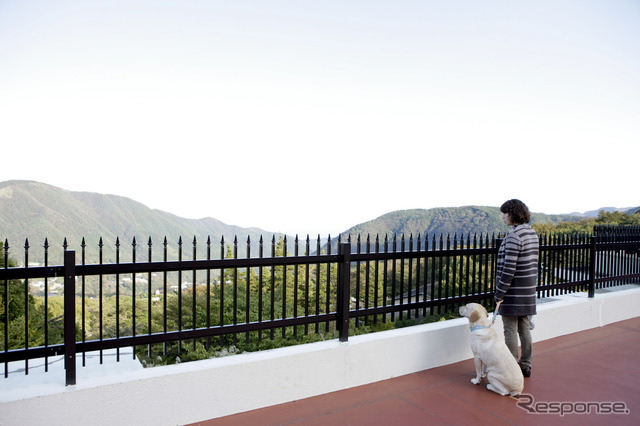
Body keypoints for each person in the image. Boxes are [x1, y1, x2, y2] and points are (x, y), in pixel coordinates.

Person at [495, 199, 539, 378]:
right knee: (525, 328)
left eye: (505, 214)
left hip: (513, 292)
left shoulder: (514, 236)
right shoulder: (532, 233)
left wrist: (500, 293)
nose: (503, 217)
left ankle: (512, 366)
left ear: (512, 214)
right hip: (528, 290)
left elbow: (509, 268)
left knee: (510, 329)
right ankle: (526, 365)